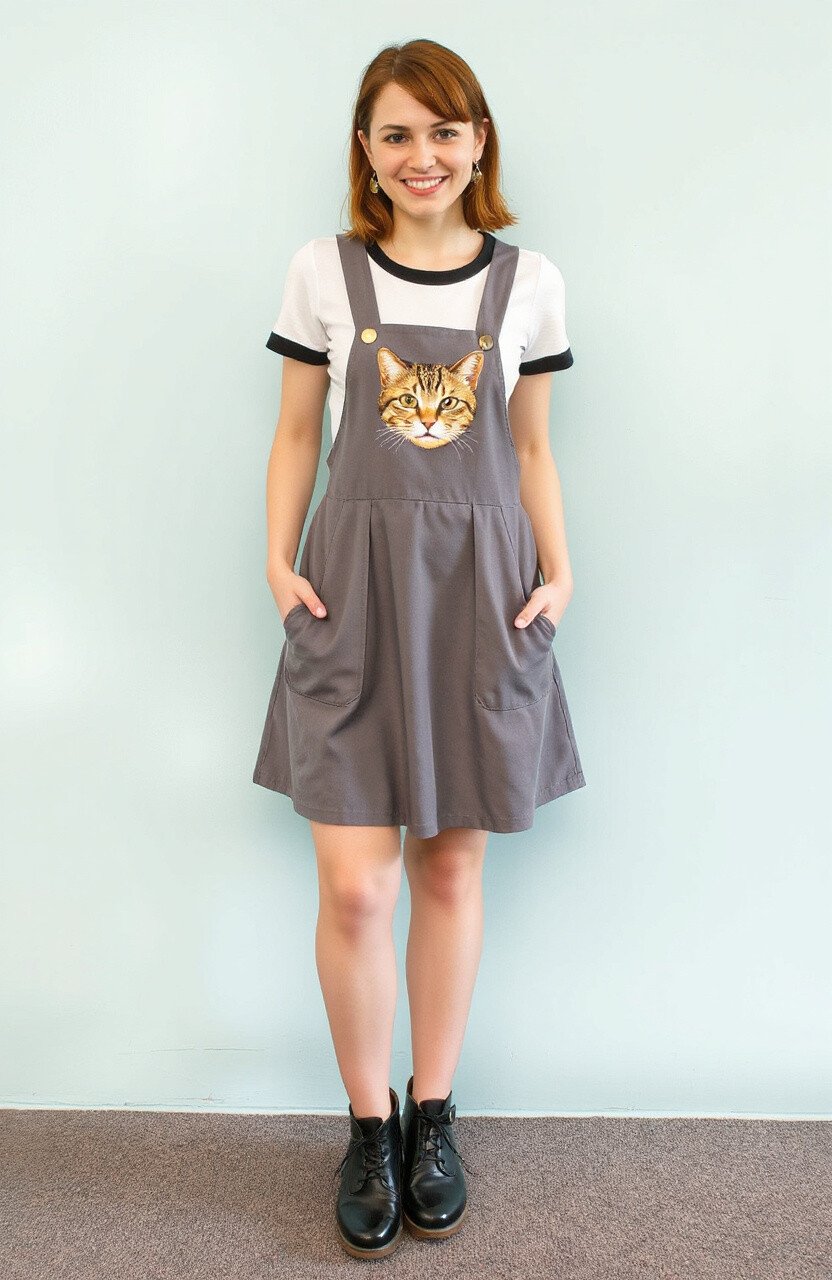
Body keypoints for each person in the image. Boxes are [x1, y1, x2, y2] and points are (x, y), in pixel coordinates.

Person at [252, 38, 586, 1259]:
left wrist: (561, 573)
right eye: (395, 133)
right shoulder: (323, 272)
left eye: (443, 131)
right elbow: (299, 432)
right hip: (349, 592)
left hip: (483, 599)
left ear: (477, 140)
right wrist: (277, 562)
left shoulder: (529, 283)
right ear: (366, 149)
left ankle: (432, 1113)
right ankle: (366, 1123)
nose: (421, 155)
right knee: (356, 882)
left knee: (448, 870)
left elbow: (532, 447)